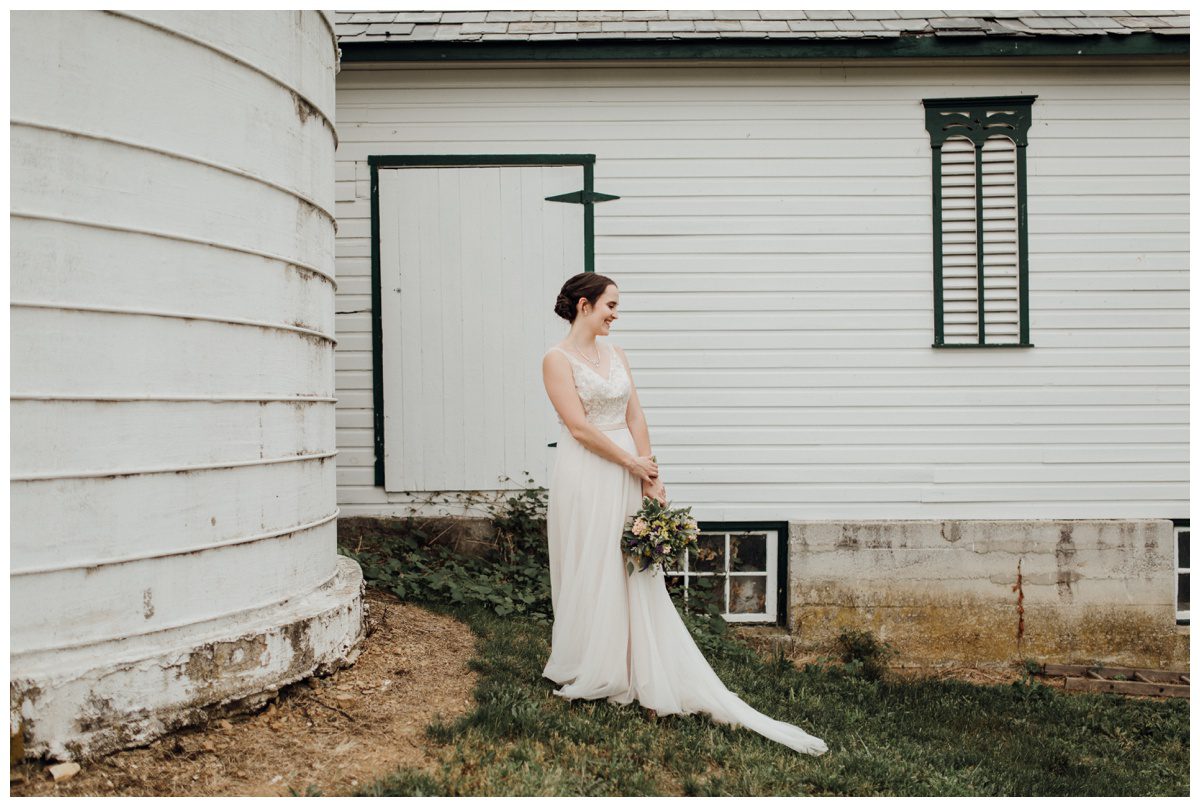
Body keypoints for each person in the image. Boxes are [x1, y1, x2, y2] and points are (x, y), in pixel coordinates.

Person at [540, 272, 829, 757]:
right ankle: (592, 663)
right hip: (588, 469)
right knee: (591, 558)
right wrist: (630, 461)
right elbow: (579, 427)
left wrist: (650, 473)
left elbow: (636, 416)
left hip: (630, 465)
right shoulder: (555, 359)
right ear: (585, 305)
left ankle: (638, 664)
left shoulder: (617, 355)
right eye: (611, 305)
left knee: (632, 564)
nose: (616, 314)